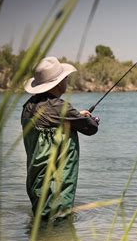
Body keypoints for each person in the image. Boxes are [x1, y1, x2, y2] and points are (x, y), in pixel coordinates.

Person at [21, 56, 99, 221]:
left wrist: (78, 114)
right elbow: (91, 128)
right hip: (54, 182)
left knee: (41, 218)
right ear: (56, 84)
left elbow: (53, 118)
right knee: (57, 219)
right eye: (65, 78)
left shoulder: (28, 106)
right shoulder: (59, 107)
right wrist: (90, 119)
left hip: (36, 180)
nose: (67, 80)